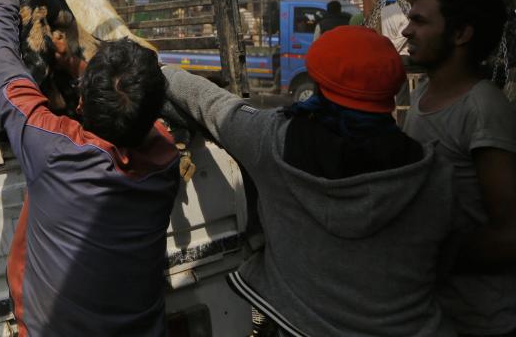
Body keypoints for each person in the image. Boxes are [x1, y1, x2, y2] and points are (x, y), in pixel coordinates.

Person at [163, 25, 456, 336]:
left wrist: (159, 68)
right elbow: (445, 264)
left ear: (318, 84)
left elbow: (212, 105)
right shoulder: (434, 174)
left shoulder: (272, 142)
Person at [0, 0, 180, 336]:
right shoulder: (166, 163)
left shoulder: (53, 150)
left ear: (81, 105)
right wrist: (75, 67)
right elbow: (143, 118)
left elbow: (0, 63)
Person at [401, 0, 516, 337]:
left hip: (483, 322)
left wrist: (426, 256)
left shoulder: (481, 108)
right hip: (437, 316)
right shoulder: (421, 97)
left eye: (419, 21)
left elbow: (510, 233)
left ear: (461, 33)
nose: (406, 31)